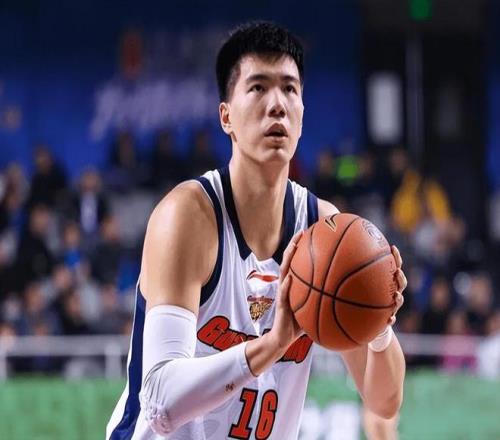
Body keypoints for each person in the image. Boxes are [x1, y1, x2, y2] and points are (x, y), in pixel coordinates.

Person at [106, 21, 406, 440]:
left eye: (289, 89)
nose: (277, 104)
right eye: (258, 88)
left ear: (302, 116)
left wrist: (378, 324)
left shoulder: (324, 229)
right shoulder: (188, 216)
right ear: (226, 116)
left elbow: (383, 402)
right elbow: (159, 401)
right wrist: (272, 344)